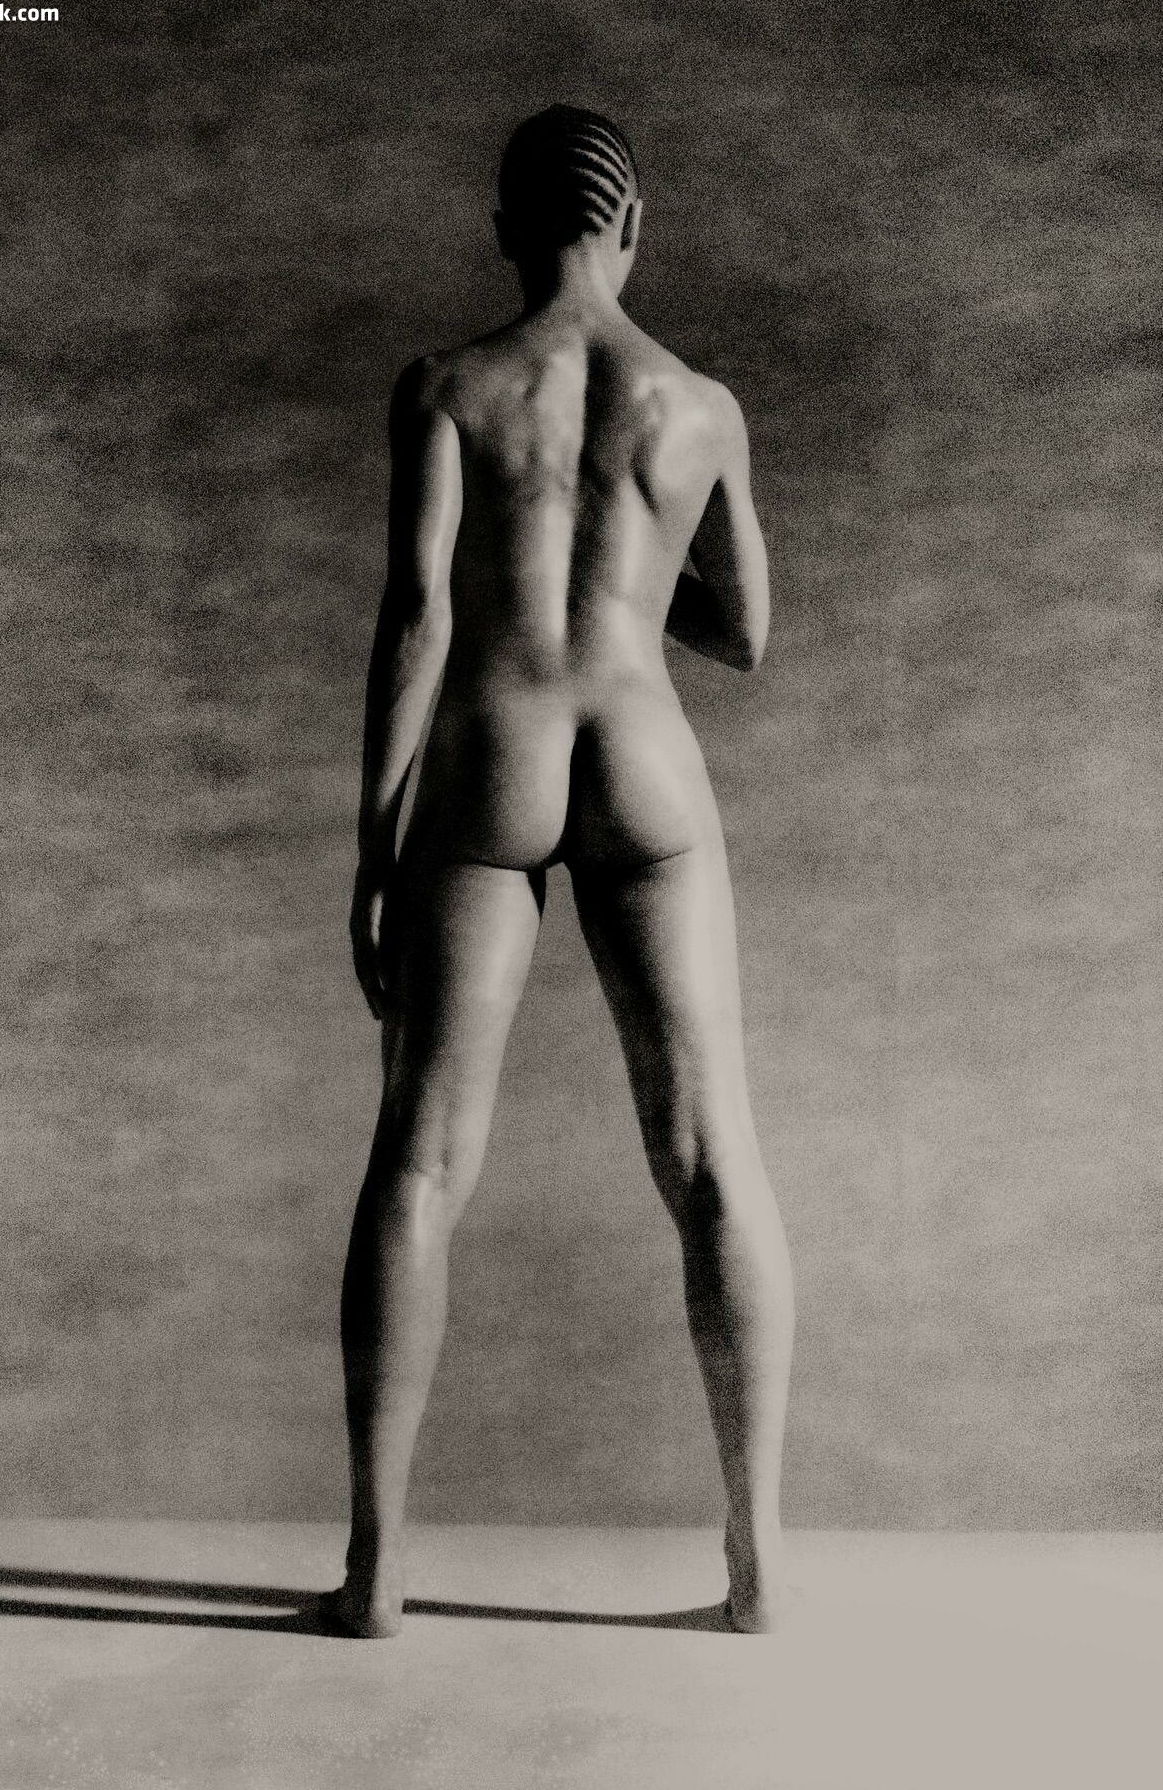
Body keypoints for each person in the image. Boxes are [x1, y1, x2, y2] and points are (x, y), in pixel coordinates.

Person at [332, 104, 795, 1637]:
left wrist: (375, 840)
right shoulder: (702, 405)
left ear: (505, 231)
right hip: (645, 756)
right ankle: (757, 1569)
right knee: (712, 1154)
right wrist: (631, 584)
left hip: (495, 755)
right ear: (634, 226)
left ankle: (376, 1573)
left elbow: (419, 614)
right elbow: (747, 632)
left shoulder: (446, 386)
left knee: (419, 1159)